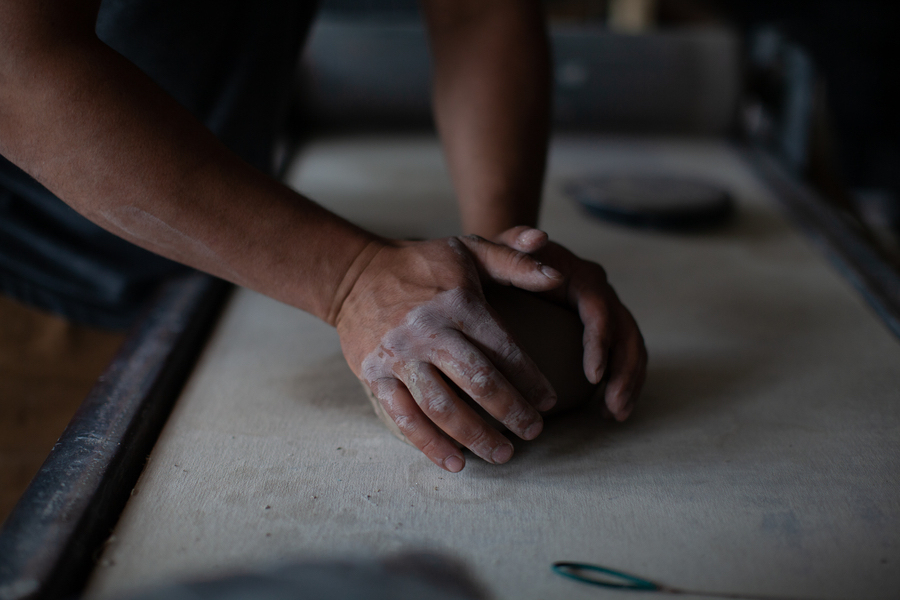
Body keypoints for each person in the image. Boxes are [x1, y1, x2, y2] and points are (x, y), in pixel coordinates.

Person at [0, 0, 646, 478]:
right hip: (30, 283)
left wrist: (501, 254)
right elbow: (16, 66)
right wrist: (351, 276)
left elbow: (474, 14)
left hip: (208, 269)